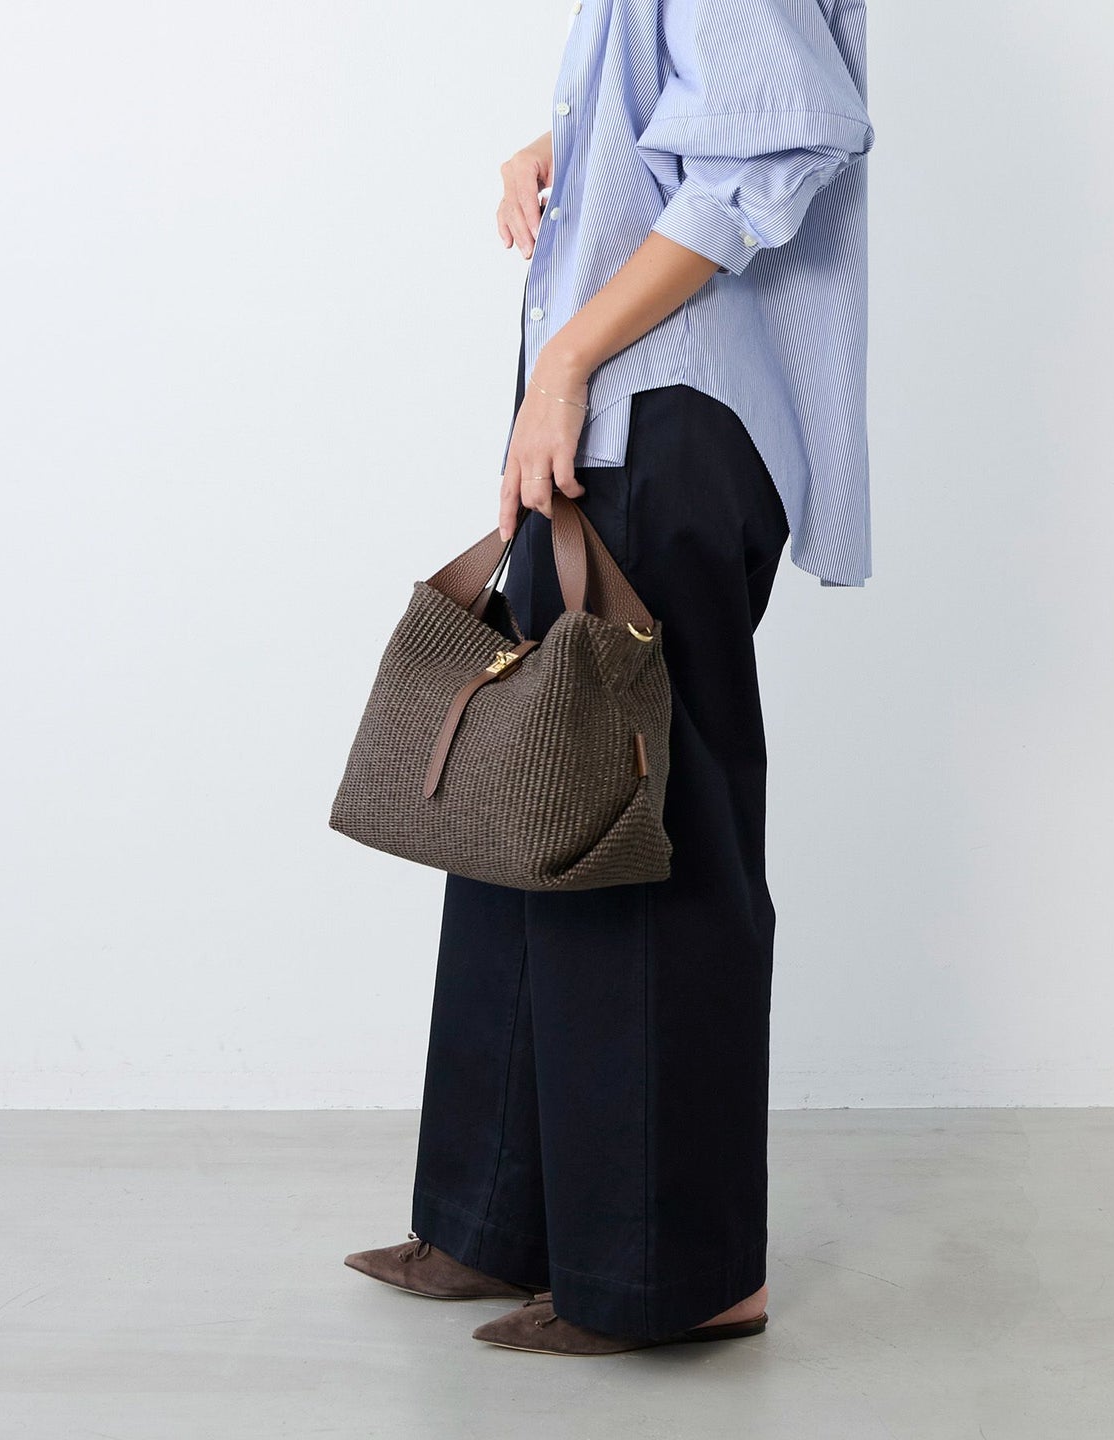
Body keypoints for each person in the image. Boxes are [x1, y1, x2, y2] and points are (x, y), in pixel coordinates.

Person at [344, 0, 875, 1356]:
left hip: (659, 412)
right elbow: (708, 106)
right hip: (622, 413)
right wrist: (571, 141)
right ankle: (497, 1220)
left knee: (647, 841)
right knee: (532, 808)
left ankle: (676, 1276)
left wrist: (569, 358)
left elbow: (779, 138)